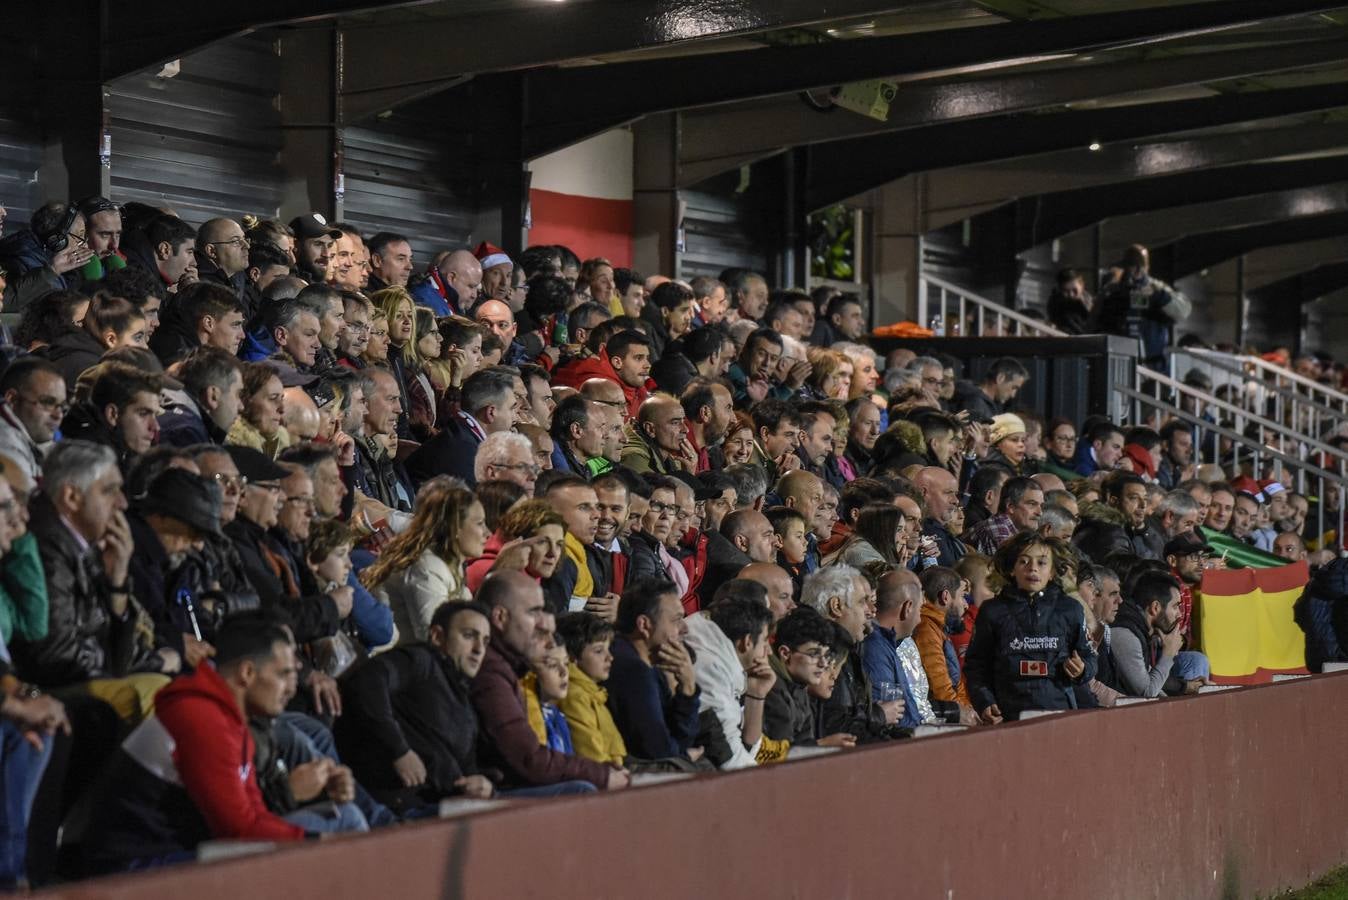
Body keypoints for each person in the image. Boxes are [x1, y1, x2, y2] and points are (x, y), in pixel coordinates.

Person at [85, 613, 366, 872]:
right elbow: (239, 831)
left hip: (185, 850)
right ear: (247, 673)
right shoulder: (201, 718)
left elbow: (253, 813)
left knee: (344, 818)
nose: (290, 688)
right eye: (282, 674)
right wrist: (317, 842)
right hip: (142, 868)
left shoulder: (230, 717)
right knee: (344, 826)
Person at [470, 572, 626, 792]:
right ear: (500, 617)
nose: (543, 624)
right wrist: (600, 774)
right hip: (492, 795)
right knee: (581, 790)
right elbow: (529, 759)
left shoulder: (509, 667)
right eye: (534, 612)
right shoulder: (490, 672)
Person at [335, 601, 494, 813]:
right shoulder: (420, 662)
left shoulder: (464, 700)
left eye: (485, 641)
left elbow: (467, 769)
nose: (479, 649)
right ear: (437, 636)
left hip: (446, 804)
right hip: (400, 806)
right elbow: (368, 682)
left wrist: (484, 786)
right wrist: (399, 750)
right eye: (468, 636)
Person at [963, 531, 1096, 722]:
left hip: (1060, 715)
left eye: (1041, 563)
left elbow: (1089, 655)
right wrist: (984, 702)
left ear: (1051, 572)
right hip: (1008, 717)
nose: (1032, 568)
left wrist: (1083, 669)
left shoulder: (1070, 609)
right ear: (1011, 568)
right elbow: (976, 666)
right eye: (1024, 561)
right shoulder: (992, 611)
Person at [362, 478, 487, 644]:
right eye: (480, 523)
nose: (487, 532)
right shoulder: (426, 565)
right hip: (395, 664)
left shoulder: (448, 561)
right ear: (455, 526)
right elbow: (435, 642)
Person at [606, 577, 702, 761]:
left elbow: (679, 740)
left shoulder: (649, 665)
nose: (685, 629)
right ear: (644, 625)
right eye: (676, 620)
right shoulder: (631, 669)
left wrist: (687, 688)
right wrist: (688, 689)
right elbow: (660, 752)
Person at [683, 592, 775, 770]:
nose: (769, 651)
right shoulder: (709, 670)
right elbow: (727, 757)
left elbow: (747, 748)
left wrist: (756, 694)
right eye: (765, 641)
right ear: (747, 642)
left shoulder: (722, 659)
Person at [805, 565, 897, 742]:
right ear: (837, 606)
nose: (870, 611)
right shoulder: (823, 653)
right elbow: (836, 727)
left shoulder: (849, 648)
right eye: (862, 602)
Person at [761, 606, 856, 756]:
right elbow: (778, 758)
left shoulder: (799, 688)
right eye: (814, 654)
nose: (823, 664)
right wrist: (821, 745)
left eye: (826, 655)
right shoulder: (771, 689)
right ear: (785, 654)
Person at [555, 611, 627, 766]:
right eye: (599, 651)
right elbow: (593, 758)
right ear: (572, 658)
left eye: (609, 649)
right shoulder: (574, 697)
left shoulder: (592, 692)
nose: (610, 657)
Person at [1108, 572, 1189, 699]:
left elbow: (1149, 681)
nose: (1179, 614)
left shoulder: (1140, 628)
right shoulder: (1125, 633)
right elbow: (1147, 693)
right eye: (1175, 606)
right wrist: (1169, 654)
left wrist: (1186, 688)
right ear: (1155, 607)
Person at [913, 566, 975, 725]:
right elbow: (941, 690)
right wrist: (966, 715)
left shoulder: (937, 627)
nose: (966, 605)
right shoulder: (926, 629)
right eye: (962, 597)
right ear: (946, 597)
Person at [157, 346, 244, 447]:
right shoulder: (186, 436)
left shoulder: (177, 418)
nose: (241, 406)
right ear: (213, 396)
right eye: (238, 394)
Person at [0, 358, 67, 484]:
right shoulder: (5, 444)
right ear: (12, 399)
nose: (58, 415)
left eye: (61, 406)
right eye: (47, 402)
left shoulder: (37, 437)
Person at [966, 476, 1043, 556]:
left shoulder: (1013, 533)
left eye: (1041, 505)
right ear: (1010, 506)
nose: (1040, 512)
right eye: (1032, 504)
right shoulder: (999, 532)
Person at [954, 357, 1028, 422]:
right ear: (1000, 378)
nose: (1013, 395)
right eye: (1014, 388)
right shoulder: (975, 403)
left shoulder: (986, 404)